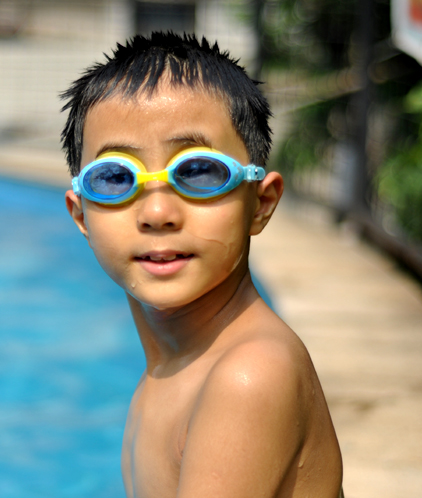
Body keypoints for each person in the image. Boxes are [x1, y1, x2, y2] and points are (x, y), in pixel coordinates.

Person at [61, 32, 343, 498]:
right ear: (81, 216)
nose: (157, 214)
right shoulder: (171, 370)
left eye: (197, 172)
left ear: (260, 203)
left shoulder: (249, 377)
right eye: (114, 177)